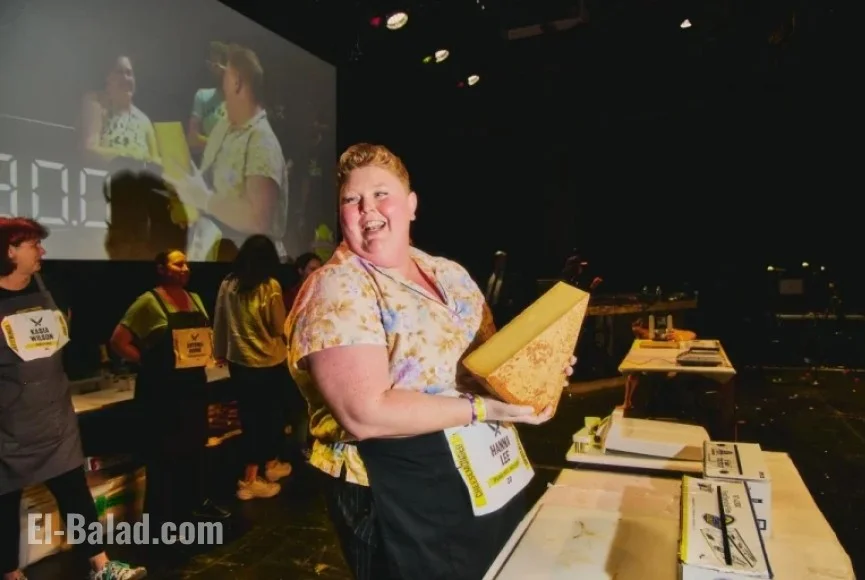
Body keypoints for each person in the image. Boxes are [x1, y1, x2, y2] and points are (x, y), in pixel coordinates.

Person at [286, 144, 574, 580]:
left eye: (381, 194)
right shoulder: (337, 287)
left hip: (480, 468)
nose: (367, 209)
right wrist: (485, 409)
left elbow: (487, 362)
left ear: (412, 204)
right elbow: (365, 414)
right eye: (352, 199)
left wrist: (537, 367)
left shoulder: (449, 273)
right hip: (393, 482)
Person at [0, 217, 145, 580]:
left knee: (76, 495)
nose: (42, 251)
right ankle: (10, 574)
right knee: (4, 502)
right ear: (10, 251)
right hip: (9, 427)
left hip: (55, 420)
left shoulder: (51, 289)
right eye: (34, 245)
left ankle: (102, 566)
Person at [109, 250, 229, 535]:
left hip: (193, 387)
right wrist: (148, 362)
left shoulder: (195, 299)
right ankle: (161, 520)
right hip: (162, 391)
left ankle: (194, 505)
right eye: (178, 263)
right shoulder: (148, 302)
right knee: (164, 455)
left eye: (186, 263)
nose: (185, 268)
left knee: (194, 448)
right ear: (161, 269)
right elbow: (118, 341)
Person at [168, 44, 288, 263]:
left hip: (250, 267)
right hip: (212, 255)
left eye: (225, 76)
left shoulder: (262, 141)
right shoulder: (224, 126)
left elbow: (258, 220)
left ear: (237, 82)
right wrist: (186, 192)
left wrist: (204, 199)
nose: (221, 84)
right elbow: (207, 181)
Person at [213, 235, 292, 500]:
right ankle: (251, 480)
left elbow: (220, 320)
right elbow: (278, 327)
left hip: (239, 363)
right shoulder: (269, 286)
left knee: (251, 419)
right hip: (269, 363)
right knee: (268, 421)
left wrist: (219, 351)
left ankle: (269, 465)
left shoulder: (228, 283)